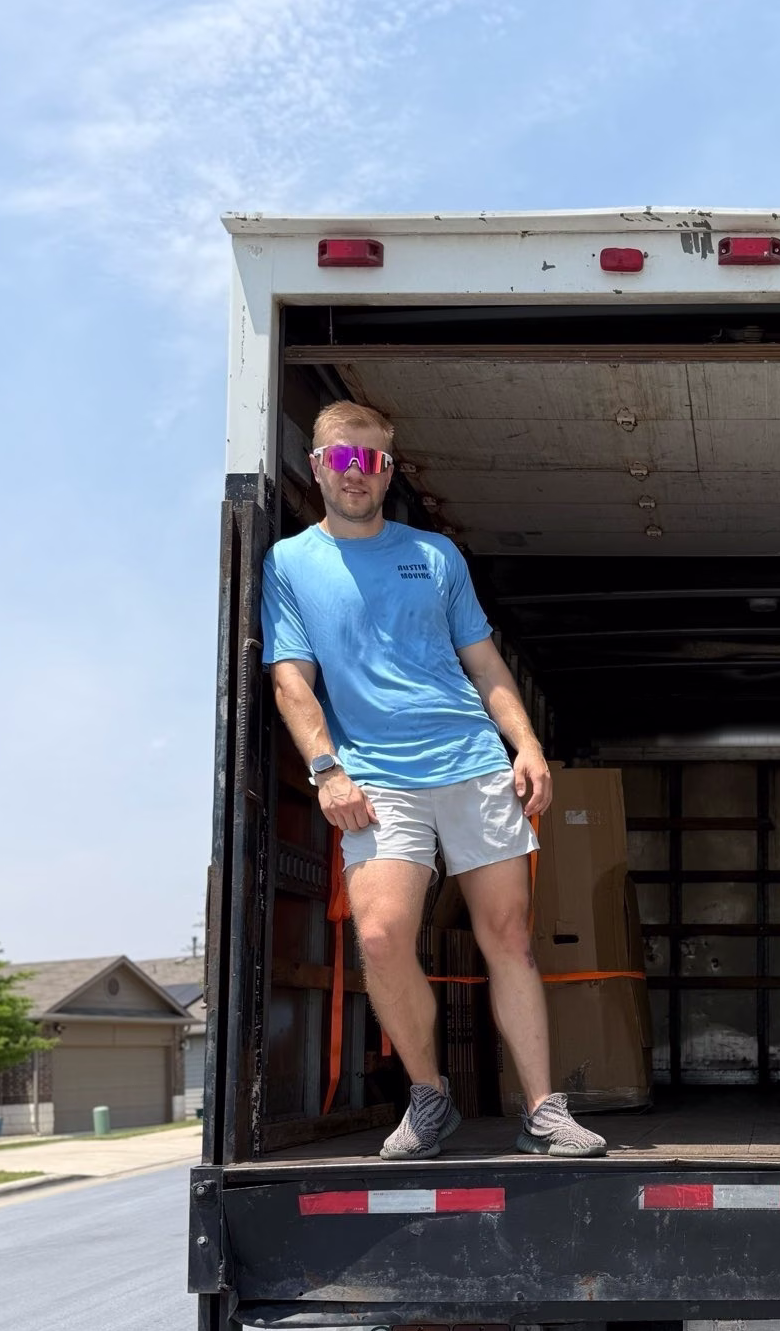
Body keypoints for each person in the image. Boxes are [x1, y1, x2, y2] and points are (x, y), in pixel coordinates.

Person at [260, 399, 606, 1162]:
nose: (359, 473)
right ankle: (429, 1097)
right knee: (381, 936)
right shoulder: (290, 563)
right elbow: (291, 680)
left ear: (390, 469)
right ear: (318, 465)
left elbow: (484, 664)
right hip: (375, 775)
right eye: (343, 459)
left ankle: (545, 1113)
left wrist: (527, 745)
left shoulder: (436, 554)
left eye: (373, 459)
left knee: (508, 936)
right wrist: (326, 769)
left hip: (473, 763)